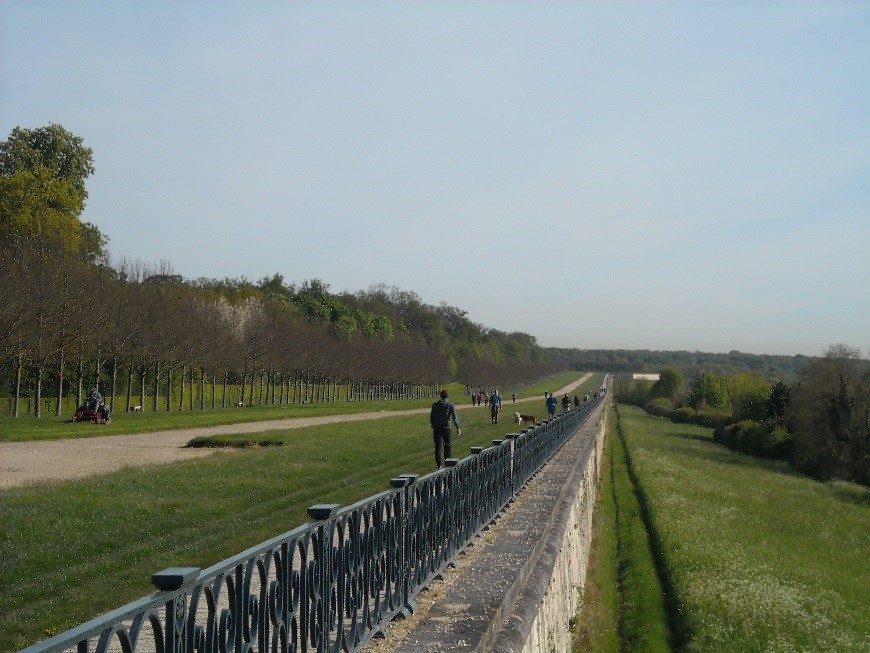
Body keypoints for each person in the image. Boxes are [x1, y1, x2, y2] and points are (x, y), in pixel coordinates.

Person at [430, 389, 461, 468]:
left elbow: (431, 417)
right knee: (447, 446)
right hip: (446, 428)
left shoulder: (435, 405)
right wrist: (458, 427)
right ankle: (448, 463)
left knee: (438, 447)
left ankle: (439, 465)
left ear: (440, 396)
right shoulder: (450, 405)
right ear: (447, 396)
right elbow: (454, 418)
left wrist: (433, 425)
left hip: (437, 428)